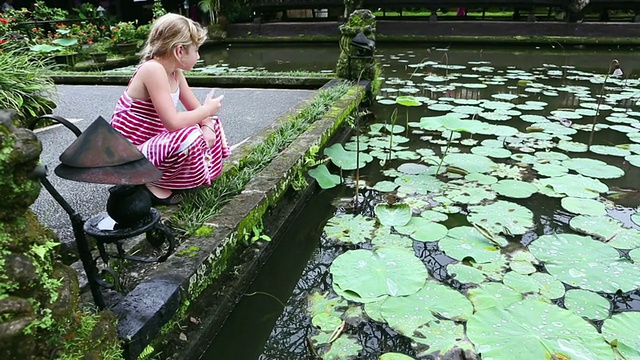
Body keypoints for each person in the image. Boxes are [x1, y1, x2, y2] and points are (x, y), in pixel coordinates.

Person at [110, 13, 229, 206]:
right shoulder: (152, 69)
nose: (198, 56)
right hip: (131, 153)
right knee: (190, 134)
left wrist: (207, 122)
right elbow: (173, 123)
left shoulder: (175, 72)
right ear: (179, 50)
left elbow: (196, 109)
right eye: (196, 50)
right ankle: (148, 181)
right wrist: (207, 111)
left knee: (212, 123)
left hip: (153, 139)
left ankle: (176, 178)